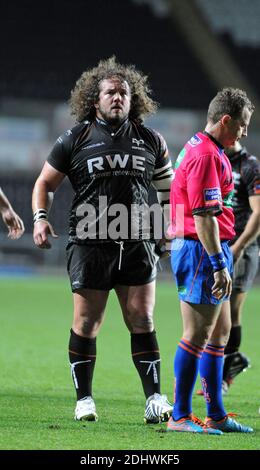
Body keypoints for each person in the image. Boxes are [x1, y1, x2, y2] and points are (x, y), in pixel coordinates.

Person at [32, 57, 173, 424]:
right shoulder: (75, 137)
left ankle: (155, 398)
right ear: (95, 100)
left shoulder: (151, 140)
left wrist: (167, 232)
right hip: (90, 242)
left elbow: (167, 192)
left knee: (142, 319)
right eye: (110, 92)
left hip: (138, 240)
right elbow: (44, 184)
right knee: (87, 324)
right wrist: (40, 218)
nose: (117, 97)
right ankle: (84, 400)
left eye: (123, 92)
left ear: (133, 98)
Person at [167, 87, 254, 434]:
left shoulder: (202, 147)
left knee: (219, 334)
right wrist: (219, 262)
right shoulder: (206, 155)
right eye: (243, 125)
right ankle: (180, 416)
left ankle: (216, 413)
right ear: (226, 120)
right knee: (197, 334)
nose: (245, 132)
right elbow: (203, 217)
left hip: (206, 248)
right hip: (201, 250)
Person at [221, 142, 260, 393]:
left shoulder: (250, 165)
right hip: (219, 246)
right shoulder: (215, 158)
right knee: (217, 313)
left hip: (242, 249)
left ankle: (224, 376)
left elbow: (258, 212)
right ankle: (230, 362)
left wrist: (239, 247)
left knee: (232, 312)